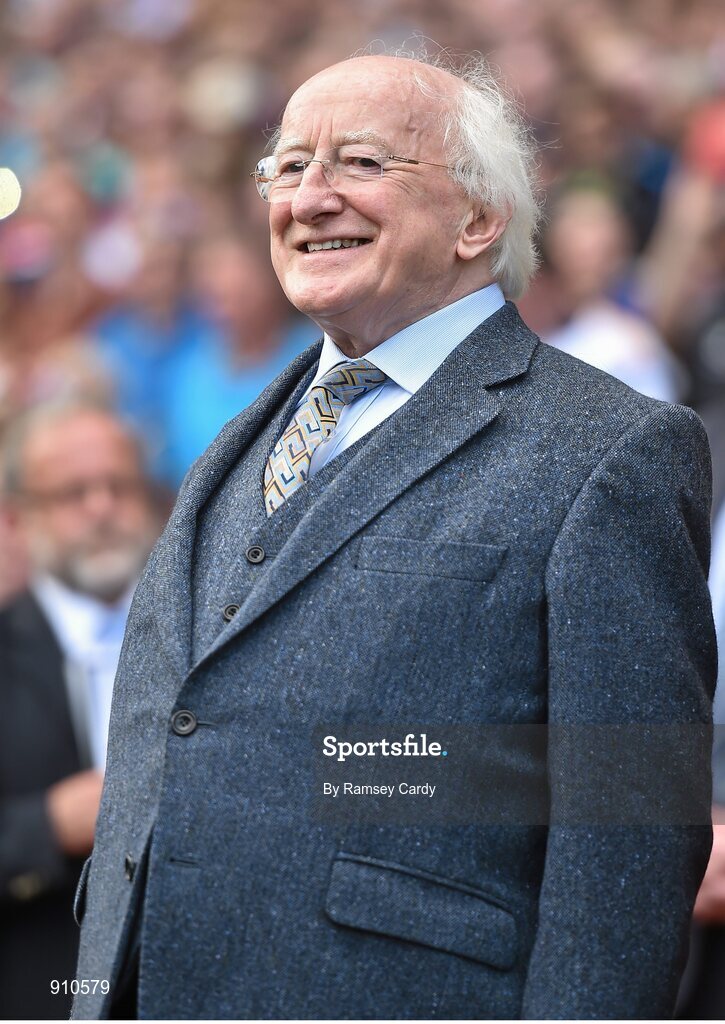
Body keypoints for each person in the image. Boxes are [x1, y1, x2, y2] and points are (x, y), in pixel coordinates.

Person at [72, 52, 715, 1020]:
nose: (309, 196)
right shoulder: (236, 439)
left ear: (477, 219)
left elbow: (626, 819)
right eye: (286, 168)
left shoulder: (610, 450)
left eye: (359, 162)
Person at [0, 401, 157, 1019]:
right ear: (18, 515)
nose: (101, 509)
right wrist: (48, 825)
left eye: (119, 485)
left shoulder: (213, 637)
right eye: (72, 493)